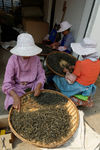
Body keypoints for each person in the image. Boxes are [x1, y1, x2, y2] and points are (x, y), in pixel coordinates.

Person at [2, 33, 46, 111]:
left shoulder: (36, 58)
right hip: (17, 88)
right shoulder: (13, 60)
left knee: (41, 107)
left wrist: (38, 86)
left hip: (33, 86)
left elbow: (41, 75)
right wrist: (15, 97)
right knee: (14, 109)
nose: (27, 55)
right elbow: (7, 83)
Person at [52, 37, 100, 105]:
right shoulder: (98, 62)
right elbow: (88, 71)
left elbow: (71, 80)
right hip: (89, 87)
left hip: (78, 87)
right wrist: (74, 67)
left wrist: (67, 72)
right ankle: (82, 97)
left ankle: (71, 97)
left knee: (57, 78)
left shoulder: (80, 63)